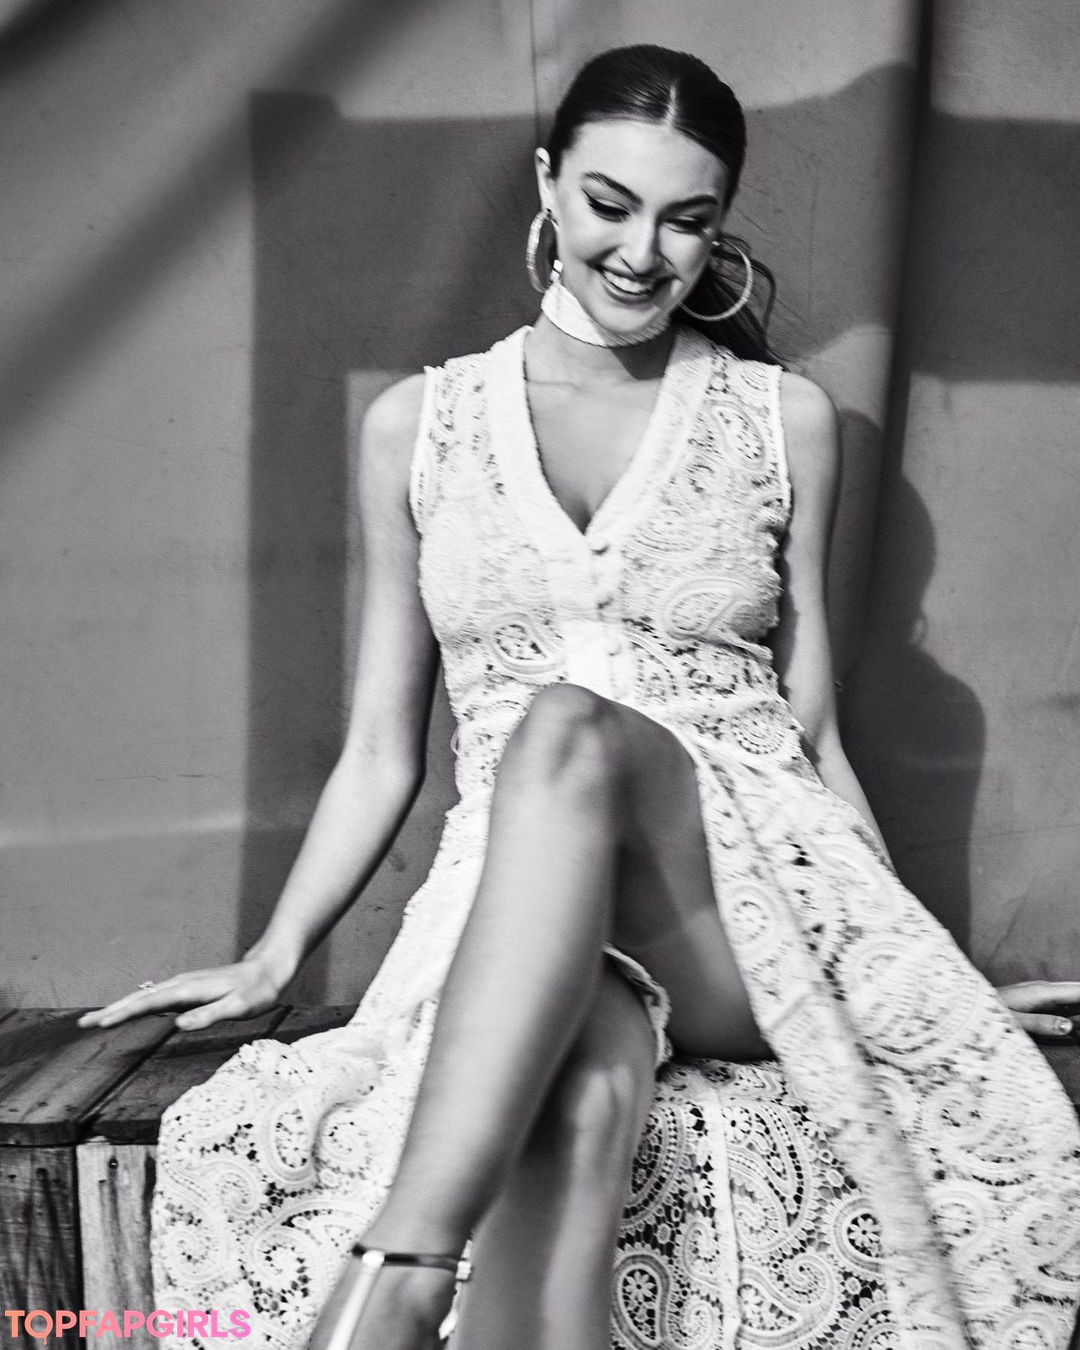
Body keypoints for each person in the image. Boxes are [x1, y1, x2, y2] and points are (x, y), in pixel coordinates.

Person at [79, 44, 1080, 1350]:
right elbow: (382, 747)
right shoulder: (418, 429)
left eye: (687, 220)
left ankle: (396, 1280)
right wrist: (276, 952)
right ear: (548, 181)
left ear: (720, 226)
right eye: (611, 203)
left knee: (567, 728)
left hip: (750, 907)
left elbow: (813, 728)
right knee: (577, 1091)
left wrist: (918, 974)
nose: (643, 253)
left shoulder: (783, 420)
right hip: (516, 904)